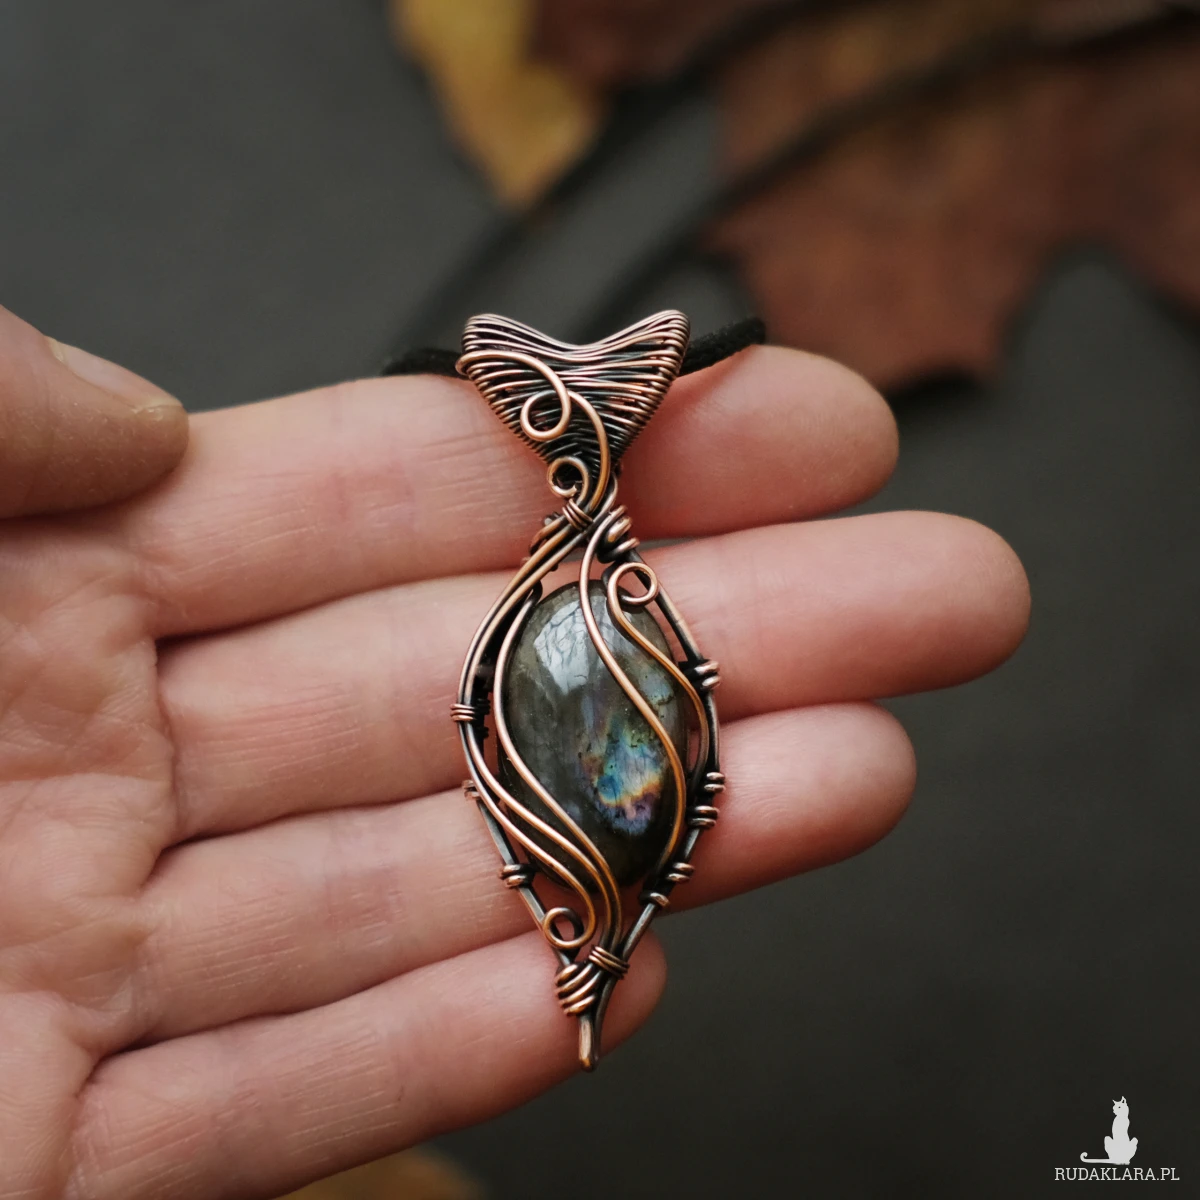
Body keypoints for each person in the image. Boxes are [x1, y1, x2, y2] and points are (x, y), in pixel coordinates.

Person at [0, 304, 1028, 1198]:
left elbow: (512, 721)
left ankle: (595, 951)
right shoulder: (579, 607)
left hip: (606, 830)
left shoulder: (584, 602)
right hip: (588, 822)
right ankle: (594, 953)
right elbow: (501, 721)